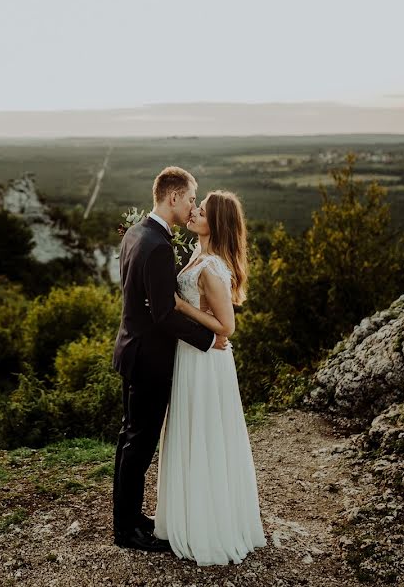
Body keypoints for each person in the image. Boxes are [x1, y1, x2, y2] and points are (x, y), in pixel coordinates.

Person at [112, 166, 226, 552]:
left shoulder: (136, 233)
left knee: (130, 439)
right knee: (138, 444)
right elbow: (163, 313)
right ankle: (127, 530)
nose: (193, 205)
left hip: (131, 348)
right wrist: (208, 339)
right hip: (148, 358)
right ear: (173, 197)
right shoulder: (158, 245)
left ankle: (127, 519)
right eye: (192, 198)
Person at [153, 190, 267, 565]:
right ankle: (186, 515)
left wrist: (183, 307)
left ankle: (209, 524)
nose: (194, 213)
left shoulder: (213, 268)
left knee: (204, 434)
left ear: (215, 223)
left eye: (200, 211)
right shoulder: (196, 255)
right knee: (189, 431)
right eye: (195, 208)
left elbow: (227, 327)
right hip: (190, 355)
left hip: (206, 362)